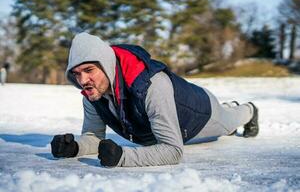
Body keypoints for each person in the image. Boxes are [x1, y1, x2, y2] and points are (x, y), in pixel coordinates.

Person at [51, 32, 259, 167]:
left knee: (229, 121)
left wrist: (123, 157)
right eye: (76, 74)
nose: (83, 80)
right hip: (171, 111)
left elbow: (173, 150)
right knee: (227, 116)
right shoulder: (92, 93)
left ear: (107, 66)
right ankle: (230, 108)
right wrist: (75, 147)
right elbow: (94, 137)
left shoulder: (152, 86)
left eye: (89, 70)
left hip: (202, 112)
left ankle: (248, 109)